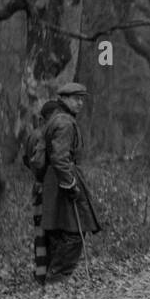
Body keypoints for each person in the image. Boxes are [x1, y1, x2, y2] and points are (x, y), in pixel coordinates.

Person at [38, 82, 102, 284]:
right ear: (64, 99)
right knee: (74, 232)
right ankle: (57, 278)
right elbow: (60, 158)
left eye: (82, 98)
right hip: (61, 181)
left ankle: (54, 278)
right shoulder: (65, 123)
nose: (80, 102)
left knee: (60, 231)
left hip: (54, 180)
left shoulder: (57, 119)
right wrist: (70, 185)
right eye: (76, 98)